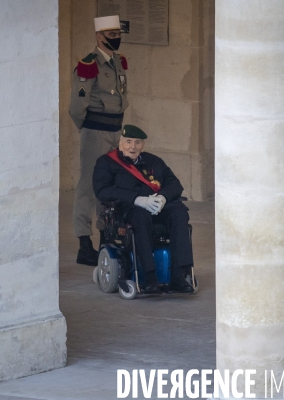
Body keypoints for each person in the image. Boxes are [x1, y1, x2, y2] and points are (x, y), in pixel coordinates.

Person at [92, 125, 194, 294]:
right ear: (120, 143)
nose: (133, 147)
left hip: (157, 207)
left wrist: (162, 198)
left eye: (137, 142)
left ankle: (179, 274)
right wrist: (136, 199)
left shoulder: (154, 161)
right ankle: (149, 276)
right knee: (140, 217)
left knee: (179, 213)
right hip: (128, 209)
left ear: (143, 145)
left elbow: (175, 184)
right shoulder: (106, 163)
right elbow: (102, 190)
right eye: (129, 142)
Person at [69, 15, 129, 266]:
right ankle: (84, 242)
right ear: (99, 37)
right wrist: (89, 129)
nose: (115, 39)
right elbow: (76, 107)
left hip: (116, 129)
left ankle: (107, 236)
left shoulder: (118, 62)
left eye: (118, 35)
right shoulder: (88, 65)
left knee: (111, 183)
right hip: (96, 130)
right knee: (89, 186)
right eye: (111, 35)